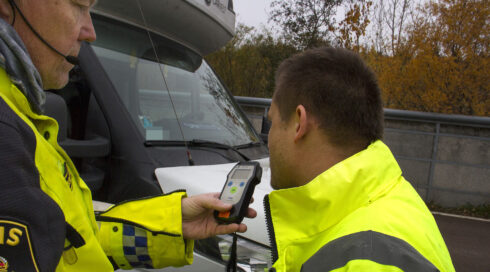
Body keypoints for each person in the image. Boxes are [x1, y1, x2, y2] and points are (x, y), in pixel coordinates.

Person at [0, 0, 255, 271]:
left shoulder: (23, 118)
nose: (90, 32)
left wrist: (174, 224)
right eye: (78, 5)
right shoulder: (7, 135)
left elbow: (76, 243)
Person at [264, 47, 455, 272]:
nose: (268, 138)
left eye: (272, 123)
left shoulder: (366, 263)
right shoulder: (387, 201)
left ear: (299, 123)